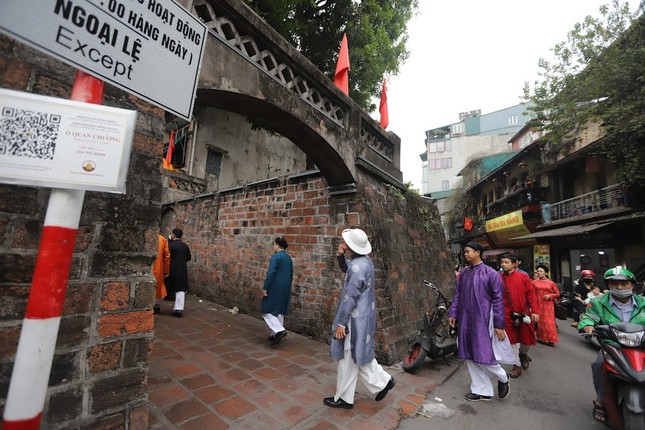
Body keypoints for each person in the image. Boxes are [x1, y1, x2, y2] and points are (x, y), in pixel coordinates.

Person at [324, 228, 395, 409]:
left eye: (345, 242)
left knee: (350, 355)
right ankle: (350, 396)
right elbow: (348, 268)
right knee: (355, 355)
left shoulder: (358, 266)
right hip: (363, 316)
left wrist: (341, 323)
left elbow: (350, 298)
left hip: (353, 321)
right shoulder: (365, 261)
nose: (343, 243)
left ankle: (378, 384)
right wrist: (341, 256)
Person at [579, 266, 645, 425]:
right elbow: (588, 318)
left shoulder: (643, 302)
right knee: (599, 364)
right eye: (614, 284)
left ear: (632, 284)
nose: (620, 287)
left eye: (624, 284)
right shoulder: (597, 303)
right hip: (613, 345)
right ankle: (601, 400)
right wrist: (588, 326)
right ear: (608, 285)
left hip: (641, 344)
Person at [448, 242, 510, 402]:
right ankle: (482, 390)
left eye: (468, 251)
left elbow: (498, 300)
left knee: (483, 353)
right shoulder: (464, 273)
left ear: (478, 252)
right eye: (465, 252)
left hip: (483, 320)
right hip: (465, 318)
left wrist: (499, 324)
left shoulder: (491, 273)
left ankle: (503, 377)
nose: (465, 254)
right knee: (468, 354)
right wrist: (453, 312)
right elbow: (457, 295)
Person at [499, 254, 539, 378]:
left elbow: (531, 294)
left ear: (515, 263)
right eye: (502, 262)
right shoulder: (498, 278)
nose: (503, 265)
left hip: (524, 313)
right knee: (512, 341)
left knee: (526, 339)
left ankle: (523, 354)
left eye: (506, 262)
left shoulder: (524, 277)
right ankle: (516, 365)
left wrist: (535, 311)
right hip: (507, 314)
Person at [260, 237, 293, 345]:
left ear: (277, 245)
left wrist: (265, 287)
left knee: (266, 309)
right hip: (286, 286)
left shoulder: (276, 257)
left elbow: (271, 273)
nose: (273, 246)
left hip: (275, 285)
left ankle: (279, 330)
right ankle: (273, 335)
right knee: (279, 310)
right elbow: (291, 274)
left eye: (274, 244)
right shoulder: (288, 258)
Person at [532, 264, 560, 346]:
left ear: (546, 273)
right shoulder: (534, 282)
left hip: (548, 304)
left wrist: (550, 296)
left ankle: (551, 339)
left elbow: (557, 293)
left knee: (548, 321)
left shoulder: (551, 283)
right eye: (538, 271)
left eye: (541, 271)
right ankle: (541, 338)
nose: (539, 273)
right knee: (539, 321)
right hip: (537, 303)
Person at [167, 228, 191, 318]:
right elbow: (188, 257)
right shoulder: (185, 246)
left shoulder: (171, 245)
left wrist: (169, 240)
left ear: (173, 235)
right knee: (180, 289)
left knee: (164, 286)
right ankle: (179, 309)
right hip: (182, 269)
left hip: (171, 268)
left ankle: (156, 305)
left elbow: (166, 254)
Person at [152, 234, 171, 314]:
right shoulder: (162, 239)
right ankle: (156, 306)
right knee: (158, 287)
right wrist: (166, 271)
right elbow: (167, 256)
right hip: (158, 267)